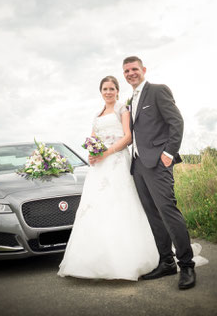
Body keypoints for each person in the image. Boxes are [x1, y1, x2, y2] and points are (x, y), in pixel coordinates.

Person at [58, 76, 159, 281]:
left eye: (112, 88)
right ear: (101, 91)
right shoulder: (97, 114)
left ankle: (127, 260)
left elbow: (128, 137)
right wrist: (92, 153)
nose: (108, 92)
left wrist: (107, 153)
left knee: (118, 204)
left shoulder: (123, 109)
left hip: (116, 161)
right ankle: (91, 261)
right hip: (99, 167)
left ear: (117, 91)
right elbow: (93, 138)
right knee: (95, 207)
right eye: (105, 88)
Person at [123, 55, 196, 290]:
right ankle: (166, 262)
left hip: (158, 162)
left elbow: (177, 121)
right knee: (153, 216)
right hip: (138, 165)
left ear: (144, 69)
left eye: (134, 69)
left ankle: (186, 265)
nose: (131, 73)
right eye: (126, 71)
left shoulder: (157, 91)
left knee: (168, 212)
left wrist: (169, 153)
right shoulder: (130, 100)